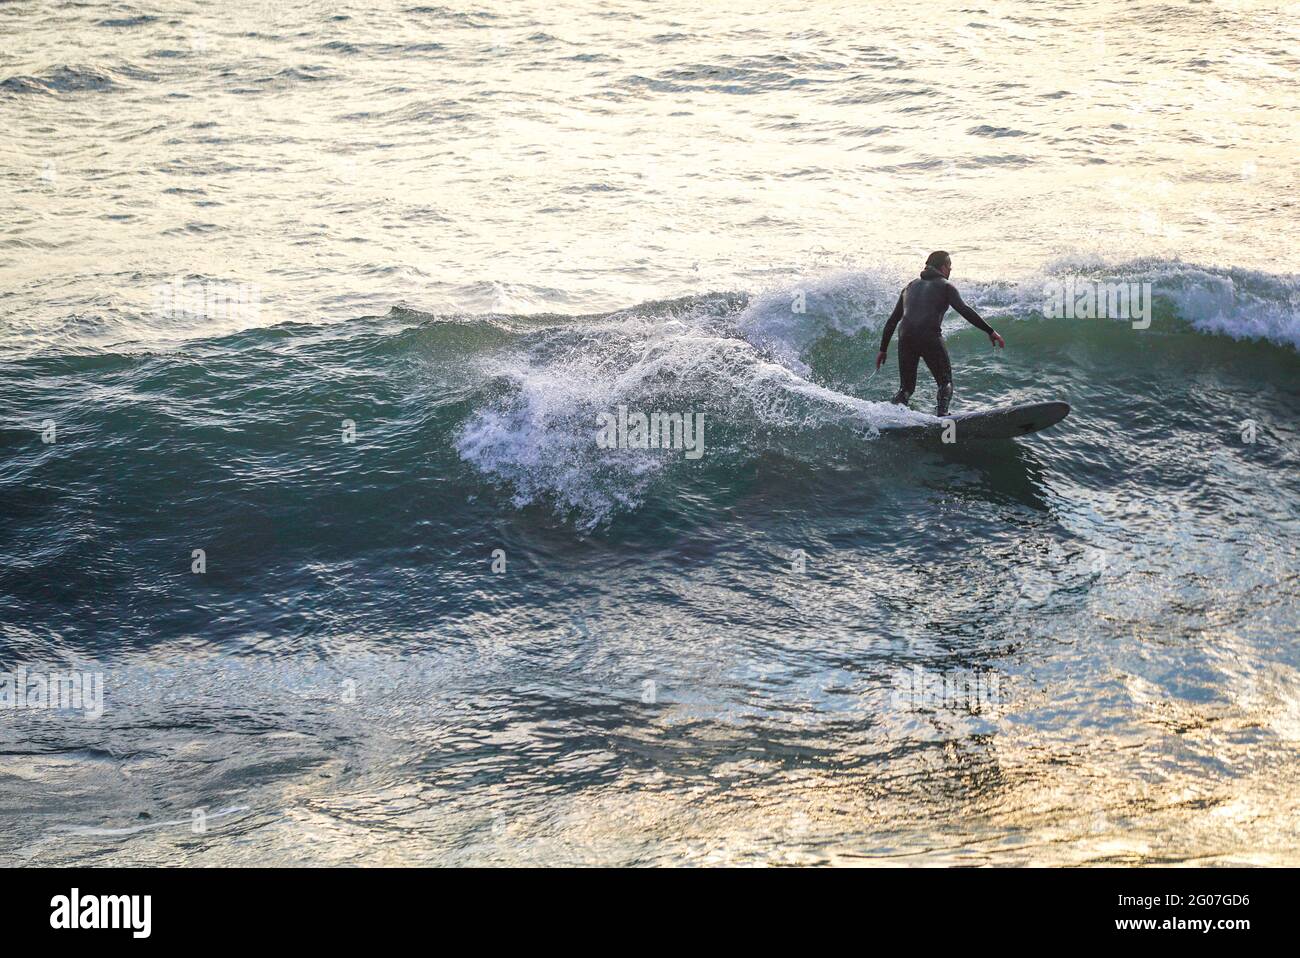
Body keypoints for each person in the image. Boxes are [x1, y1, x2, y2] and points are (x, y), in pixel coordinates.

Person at [875, 251, 1005, 416]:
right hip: (929, 335)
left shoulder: (909, 286)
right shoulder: (945, 286)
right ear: (943, 267)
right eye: (949, 266)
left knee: (906, 388)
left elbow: (893, 320)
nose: (950, 270)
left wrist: (883, 349)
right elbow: (964, 310)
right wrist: (990, 331)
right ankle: (942, 416)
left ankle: (890, 414)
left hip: (905, 336)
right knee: (945, 383)